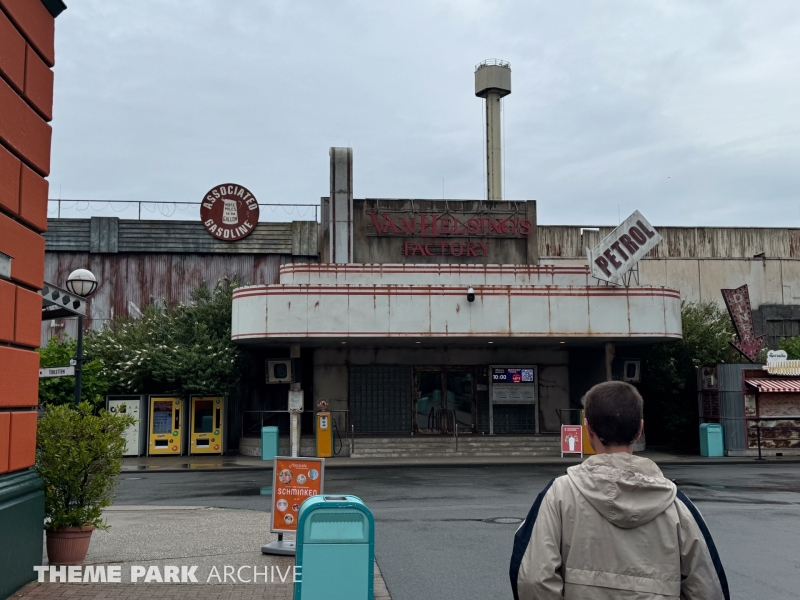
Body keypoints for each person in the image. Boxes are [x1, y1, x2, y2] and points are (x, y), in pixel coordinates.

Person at [510, 381, 729, 600]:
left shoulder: (559, 494)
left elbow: (533, 579)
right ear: (639, 430)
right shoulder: (677, 505)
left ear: (588, 430)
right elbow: (708, 589)